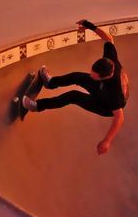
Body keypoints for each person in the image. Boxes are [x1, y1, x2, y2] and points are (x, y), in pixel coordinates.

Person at [22, 19, 127, 155]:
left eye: (94, 75)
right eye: (92, 72)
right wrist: (89, 25)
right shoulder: (110, 59)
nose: (91, 75)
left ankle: (36, 106)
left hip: (105, 105)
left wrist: (107, 141)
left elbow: (119, 118)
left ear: (104, 76)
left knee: (73, 96)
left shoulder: (115, 93)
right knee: (77, 76)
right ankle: (50, 82)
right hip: (101, 87)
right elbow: (109, 38)